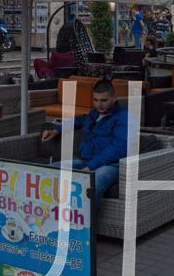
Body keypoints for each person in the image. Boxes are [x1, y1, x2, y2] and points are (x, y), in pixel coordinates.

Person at [42, 80, 132, 210]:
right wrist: (56, 130)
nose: (99, 105)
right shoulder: (95, 114)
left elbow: (118, 149)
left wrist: (90, 167)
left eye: (104, 100)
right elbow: (79, 121)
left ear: (114, 98)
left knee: (92, 183)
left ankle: (87, 228)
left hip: (111, 165)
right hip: (85, 159)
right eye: (95, 100)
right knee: (47, 172)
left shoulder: (124, 117)